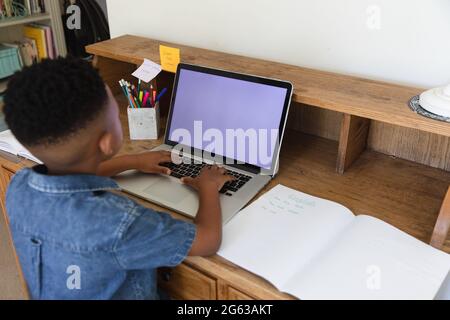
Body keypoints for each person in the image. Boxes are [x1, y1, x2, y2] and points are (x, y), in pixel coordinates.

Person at [3, 57, 233, 299]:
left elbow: (67, 183)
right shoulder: (120, 222)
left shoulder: (19, 186)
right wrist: (207, 186)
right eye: (116, 110)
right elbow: (208, 240)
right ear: (108, 142)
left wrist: (132, 161)